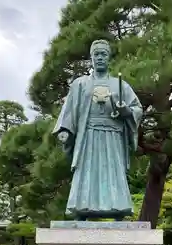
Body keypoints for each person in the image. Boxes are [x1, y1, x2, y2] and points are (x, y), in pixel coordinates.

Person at [53, 39, 143, 221]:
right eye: (96, 54)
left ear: (109, 58)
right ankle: (81, 209)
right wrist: (65, 129)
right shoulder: (80, 84)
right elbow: (69, 109)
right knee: (86, 172)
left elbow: (137, 108)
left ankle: (119, 209)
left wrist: (127, 111)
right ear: (91, 58)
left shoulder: (120, 85)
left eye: (104, 54)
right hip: (88, 136)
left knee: (113, 171)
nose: (100, 58)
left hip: (113, 136)